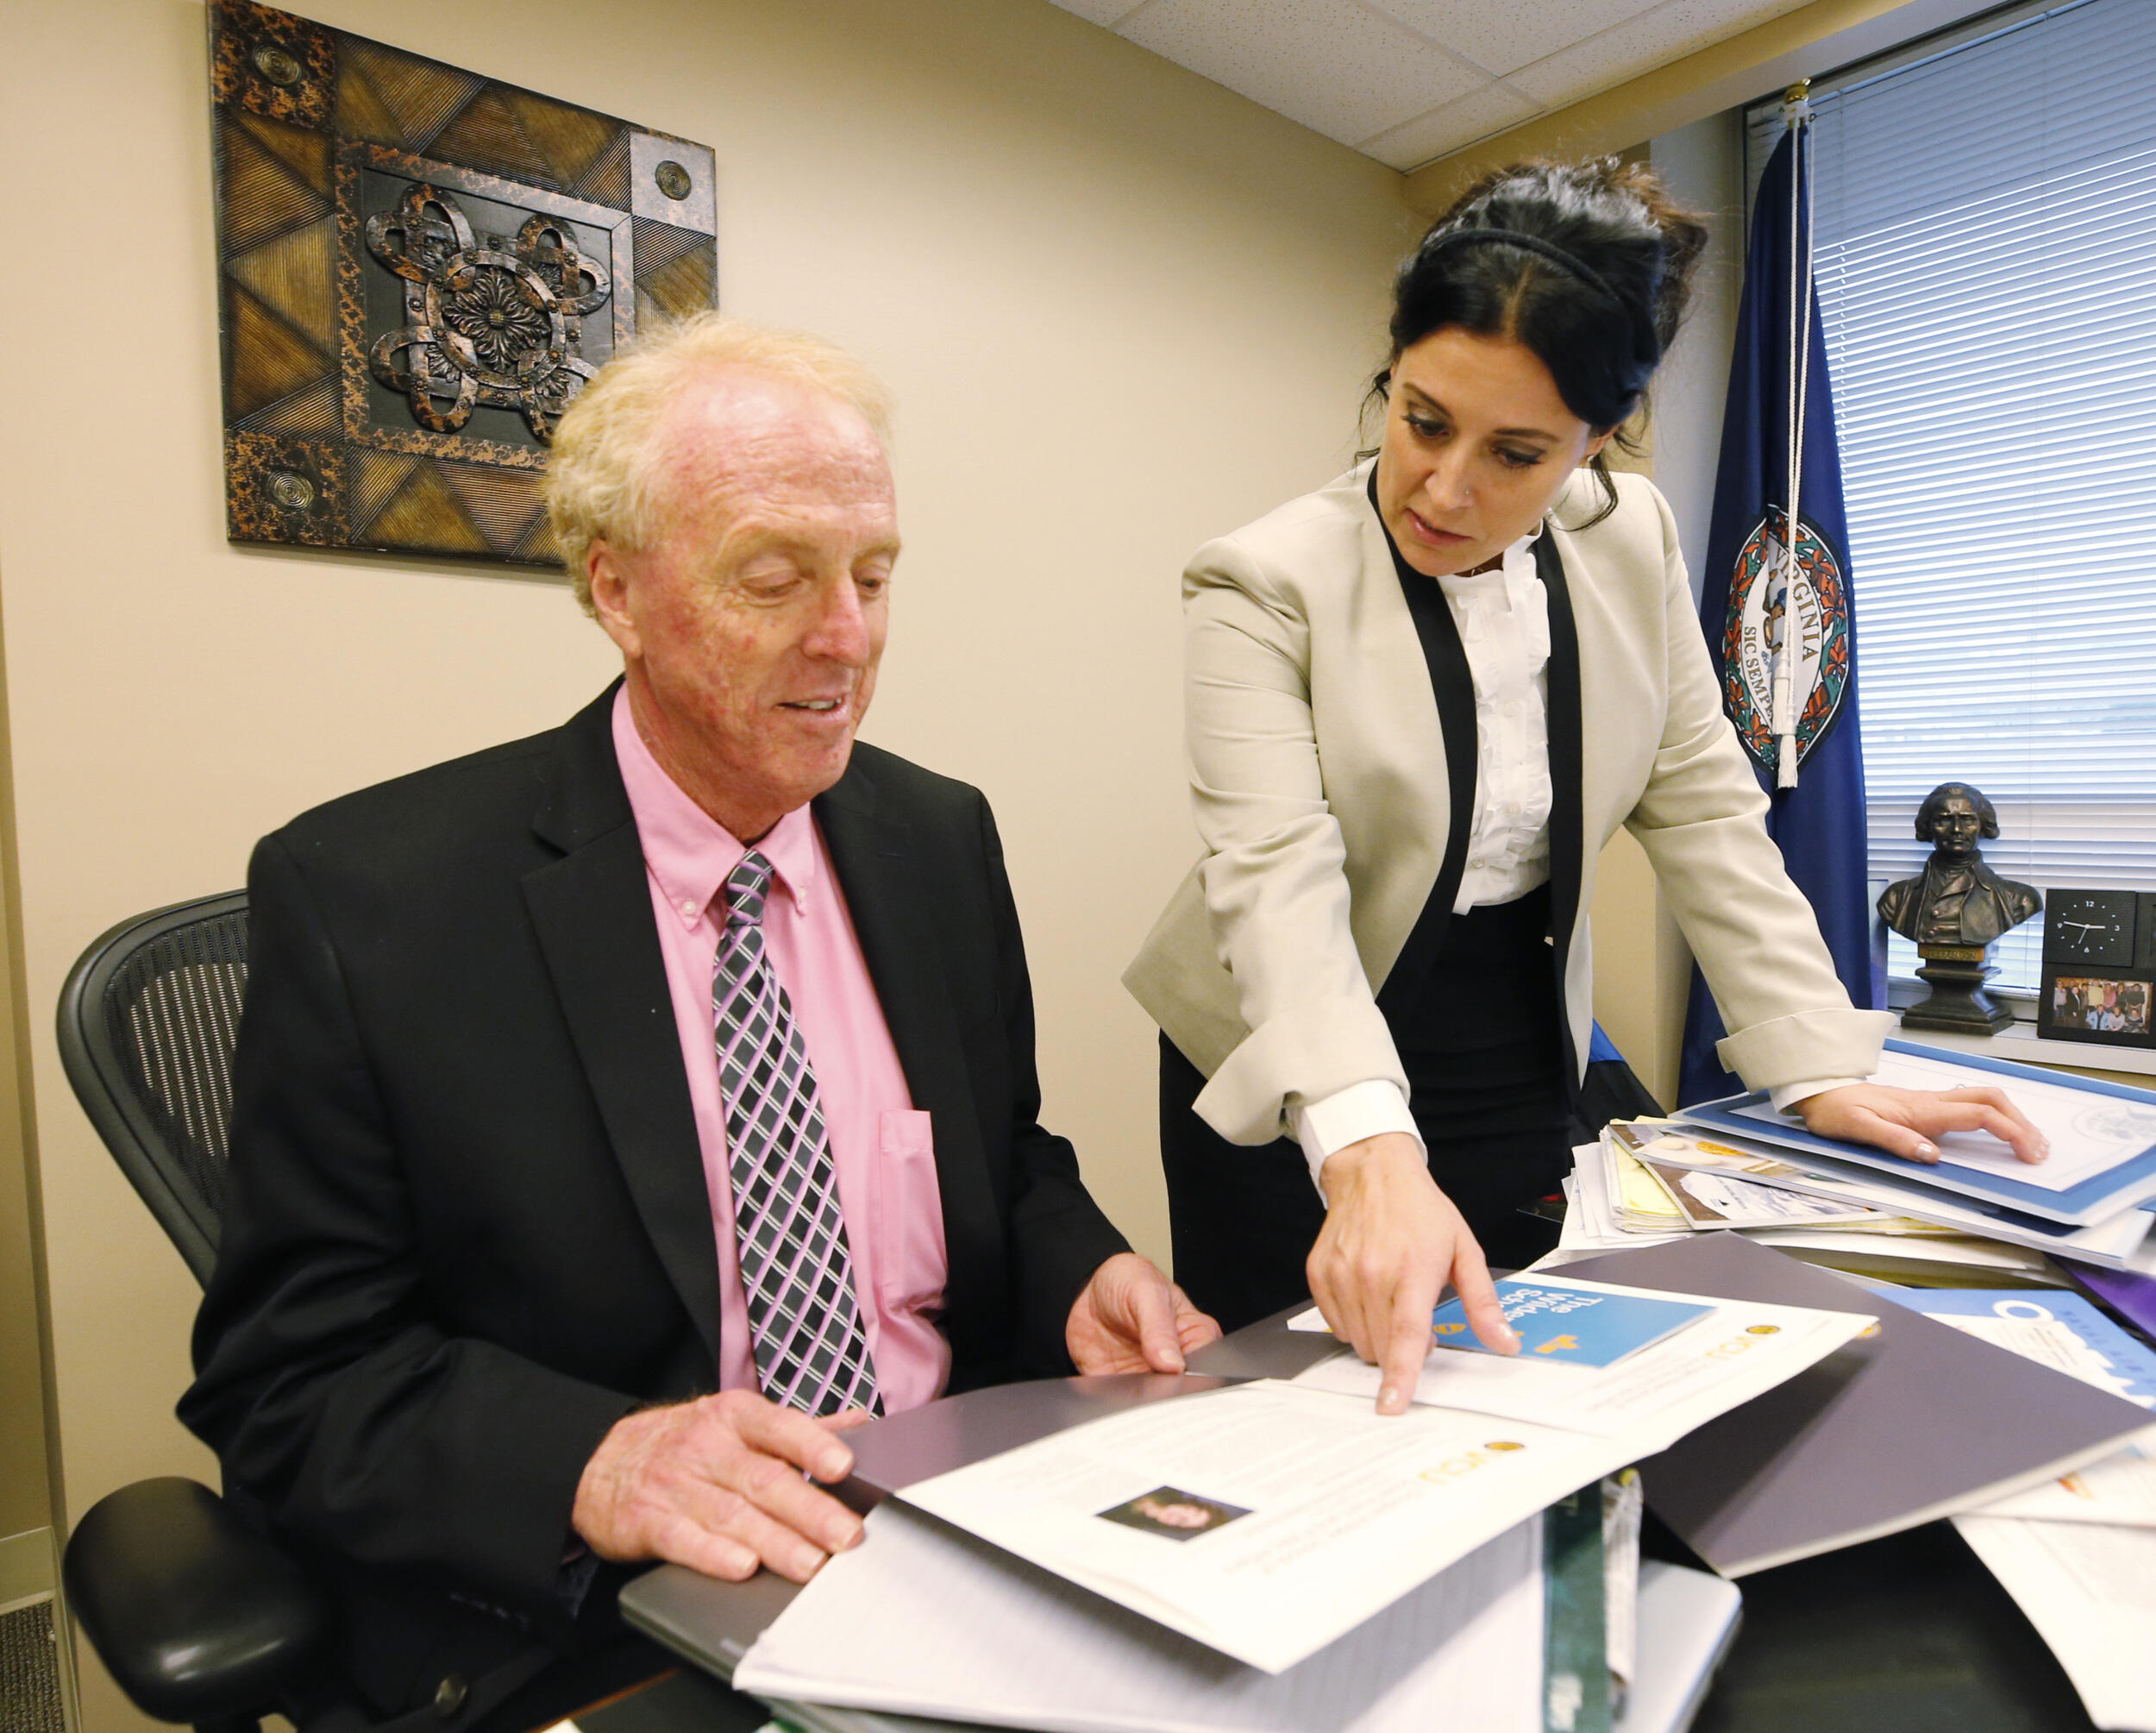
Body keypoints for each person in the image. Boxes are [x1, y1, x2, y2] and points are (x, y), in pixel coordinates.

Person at [183, 313, 1217, 1731]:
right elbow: (292, 1380)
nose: (845, 637)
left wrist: (1081, 1267)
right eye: (776, 576)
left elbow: (1006, 1160)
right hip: (621, 1609)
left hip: (964, 1519)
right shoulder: (373, 898)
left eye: (873, 573)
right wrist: (597, 1458)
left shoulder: (935, 836)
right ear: (618, 589)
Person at [1123, 160, 2046, 1418]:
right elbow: (1277, 880)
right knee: (1307, 1403)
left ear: (1595, 441)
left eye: (1516, 453)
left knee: (1510, 1378)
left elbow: (1704, 805)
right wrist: (1365, 1147)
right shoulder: (1260, 582)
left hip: (1511, 1013)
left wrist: (1820, 1060)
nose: (1445, 488)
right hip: (1287, 1037)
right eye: (1422, 419)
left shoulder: (1635, 537)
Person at [1875, 782, 2041, 946]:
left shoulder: (2020, 900)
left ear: (1983, 826)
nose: (1956, 829)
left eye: (1967, 820)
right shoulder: (1895, 899)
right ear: (1928, 827)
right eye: (1943, 820)